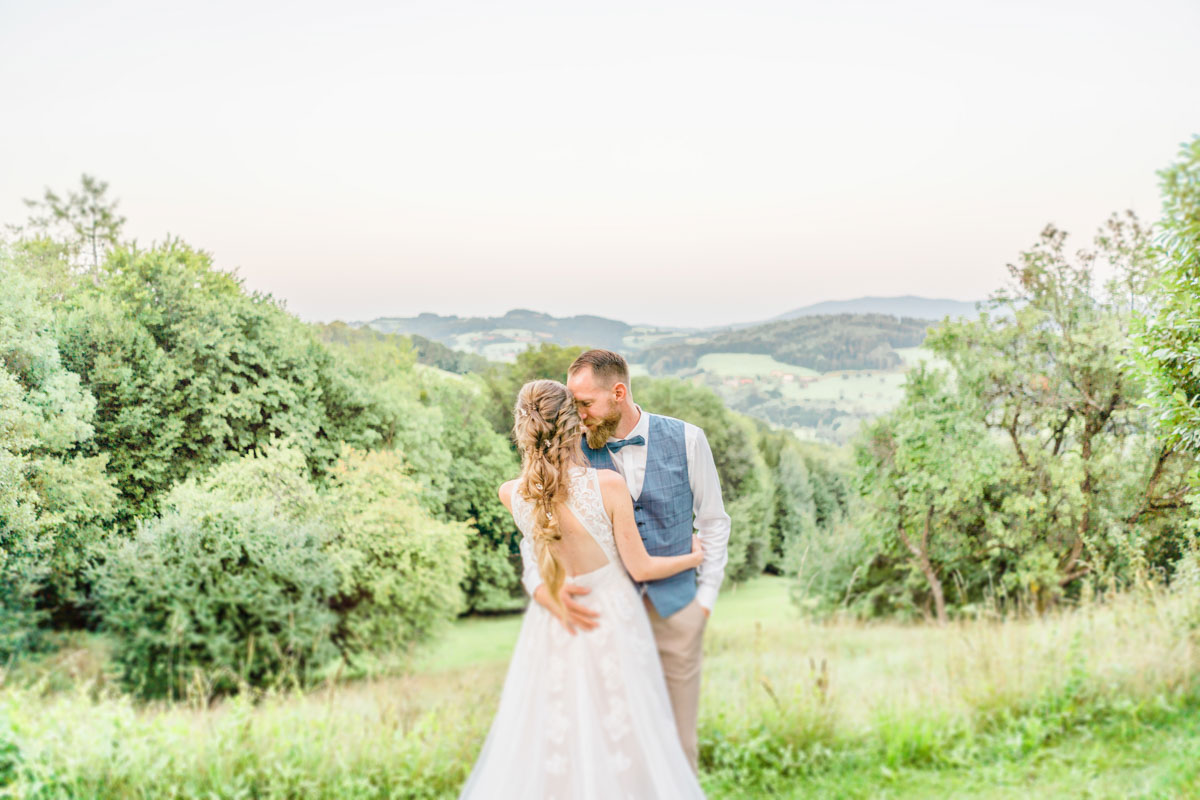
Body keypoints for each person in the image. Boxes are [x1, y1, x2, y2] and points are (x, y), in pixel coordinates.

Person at [459, 379, 706, 799]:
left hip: (554, 624)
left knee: (553, 732)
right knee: (626, 730)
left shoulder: (512, 494)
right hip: (610, 618)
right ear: (574, 426)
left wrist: (539, 588)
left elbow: (533, 554)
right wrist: (693, 556)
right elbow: (641, 566)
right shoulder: (607, 485)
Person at [524, 349, 732, 773]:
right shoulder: (568, 450)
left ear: (618, 393)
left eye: (584, 404)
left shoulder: (689, 440)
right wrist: (540, 586)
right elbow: (535, 525)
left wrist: (704, 600)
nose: (577, 416)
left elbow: (713, 522)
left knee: (678, 743)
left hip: (675, 613)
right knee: (612, 745)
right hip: (603, 623)